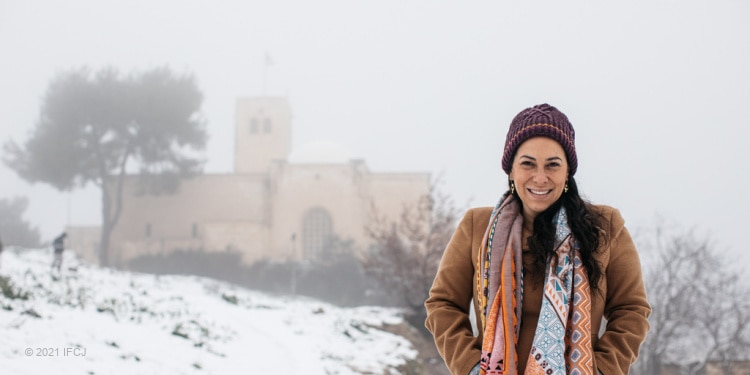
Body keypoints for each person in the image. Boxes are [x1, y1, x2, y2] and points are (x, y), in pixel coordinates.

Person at [425, 104, 651, 375]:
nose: (540, 177)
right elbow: (443, 304)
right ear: (511, 171)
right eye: (528, 164)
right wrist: (470, 365)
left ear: (567, 172)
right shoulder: (477, 227)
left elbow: (631, 310)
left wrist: (603, 368)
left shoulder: (604, 228)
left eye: (553, 165)